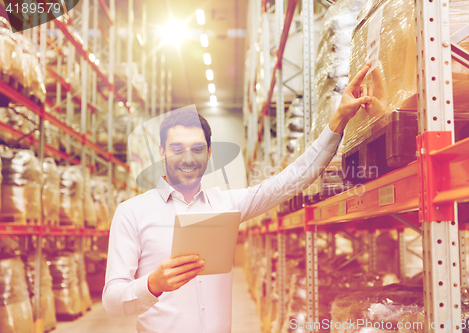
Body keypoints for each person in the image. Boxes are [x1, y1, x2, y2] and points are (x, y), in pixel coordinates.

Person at [102, 63, 373, 332]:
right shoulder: (132, 213)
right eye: (177, 149)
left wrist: (338, 120)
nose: (187, 158)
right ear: (161, 152)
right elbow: (112, 301)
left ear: (209, 154)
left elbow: (292, 180)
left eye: (197, 149)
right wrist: (152, 284)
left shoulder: (225, 205)